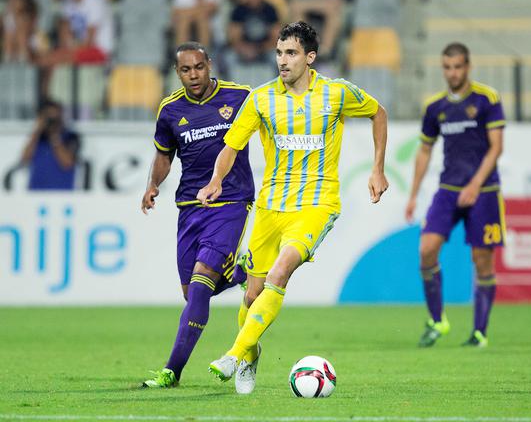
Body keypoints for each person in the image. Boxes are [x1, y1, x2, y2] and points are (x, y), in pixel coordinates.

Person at [197, 21, 388, 394]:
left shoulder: (335, 93)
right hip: (271, 207)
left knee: (280, 273)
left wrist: (377, 168)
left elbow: (378, 113)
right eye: (279, 53)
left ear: (310, 57)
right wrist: (216, 180)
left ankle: (234, 354)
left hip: (317, 204)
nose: (282, 61)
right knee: (252, 296)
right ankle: (251, 356)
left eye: (291, 53)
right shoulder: (261, 98)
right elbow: (232, 145)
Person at [140, 42, 254, 388]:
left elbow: (272, 121)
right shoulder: (170, 109)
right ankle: (241, 273)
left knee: (203, 280)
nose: (193, 75)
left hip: (231, 202)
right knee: (193, 293)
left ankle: (172, 371)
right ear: (177, 73)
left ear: (210, 65)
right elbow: (164, 155)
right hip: (189, 207)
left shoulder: (240, 97)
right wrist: (152, 184)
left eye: (199, 67)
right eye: (186, 70)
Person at [405, 42, 505, 349]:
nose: (453, 73)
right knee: (426, 250)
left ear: (468, 66)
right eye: (447, 67)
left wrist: (475, 184)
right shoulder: (435, 108)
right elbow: (424, 149)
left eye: (458, 66)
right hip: (448, 189)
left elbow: (496, 147)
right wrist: (412, 194)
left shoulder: (487, 99)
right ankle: (438, 320)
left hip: (484, 191)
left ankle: (479, 333)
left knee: (482, 260)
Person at [20, 99, 80, 190]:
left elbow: (68, 163)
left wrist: (54, 136)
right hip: (35, 194)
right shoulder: (38, 138)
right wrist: (38, 130)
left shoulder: (71, 137)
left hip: (62, 195)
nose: (52, 122)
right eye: (48, 118)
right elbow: (25, 158)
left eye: (55, 118)